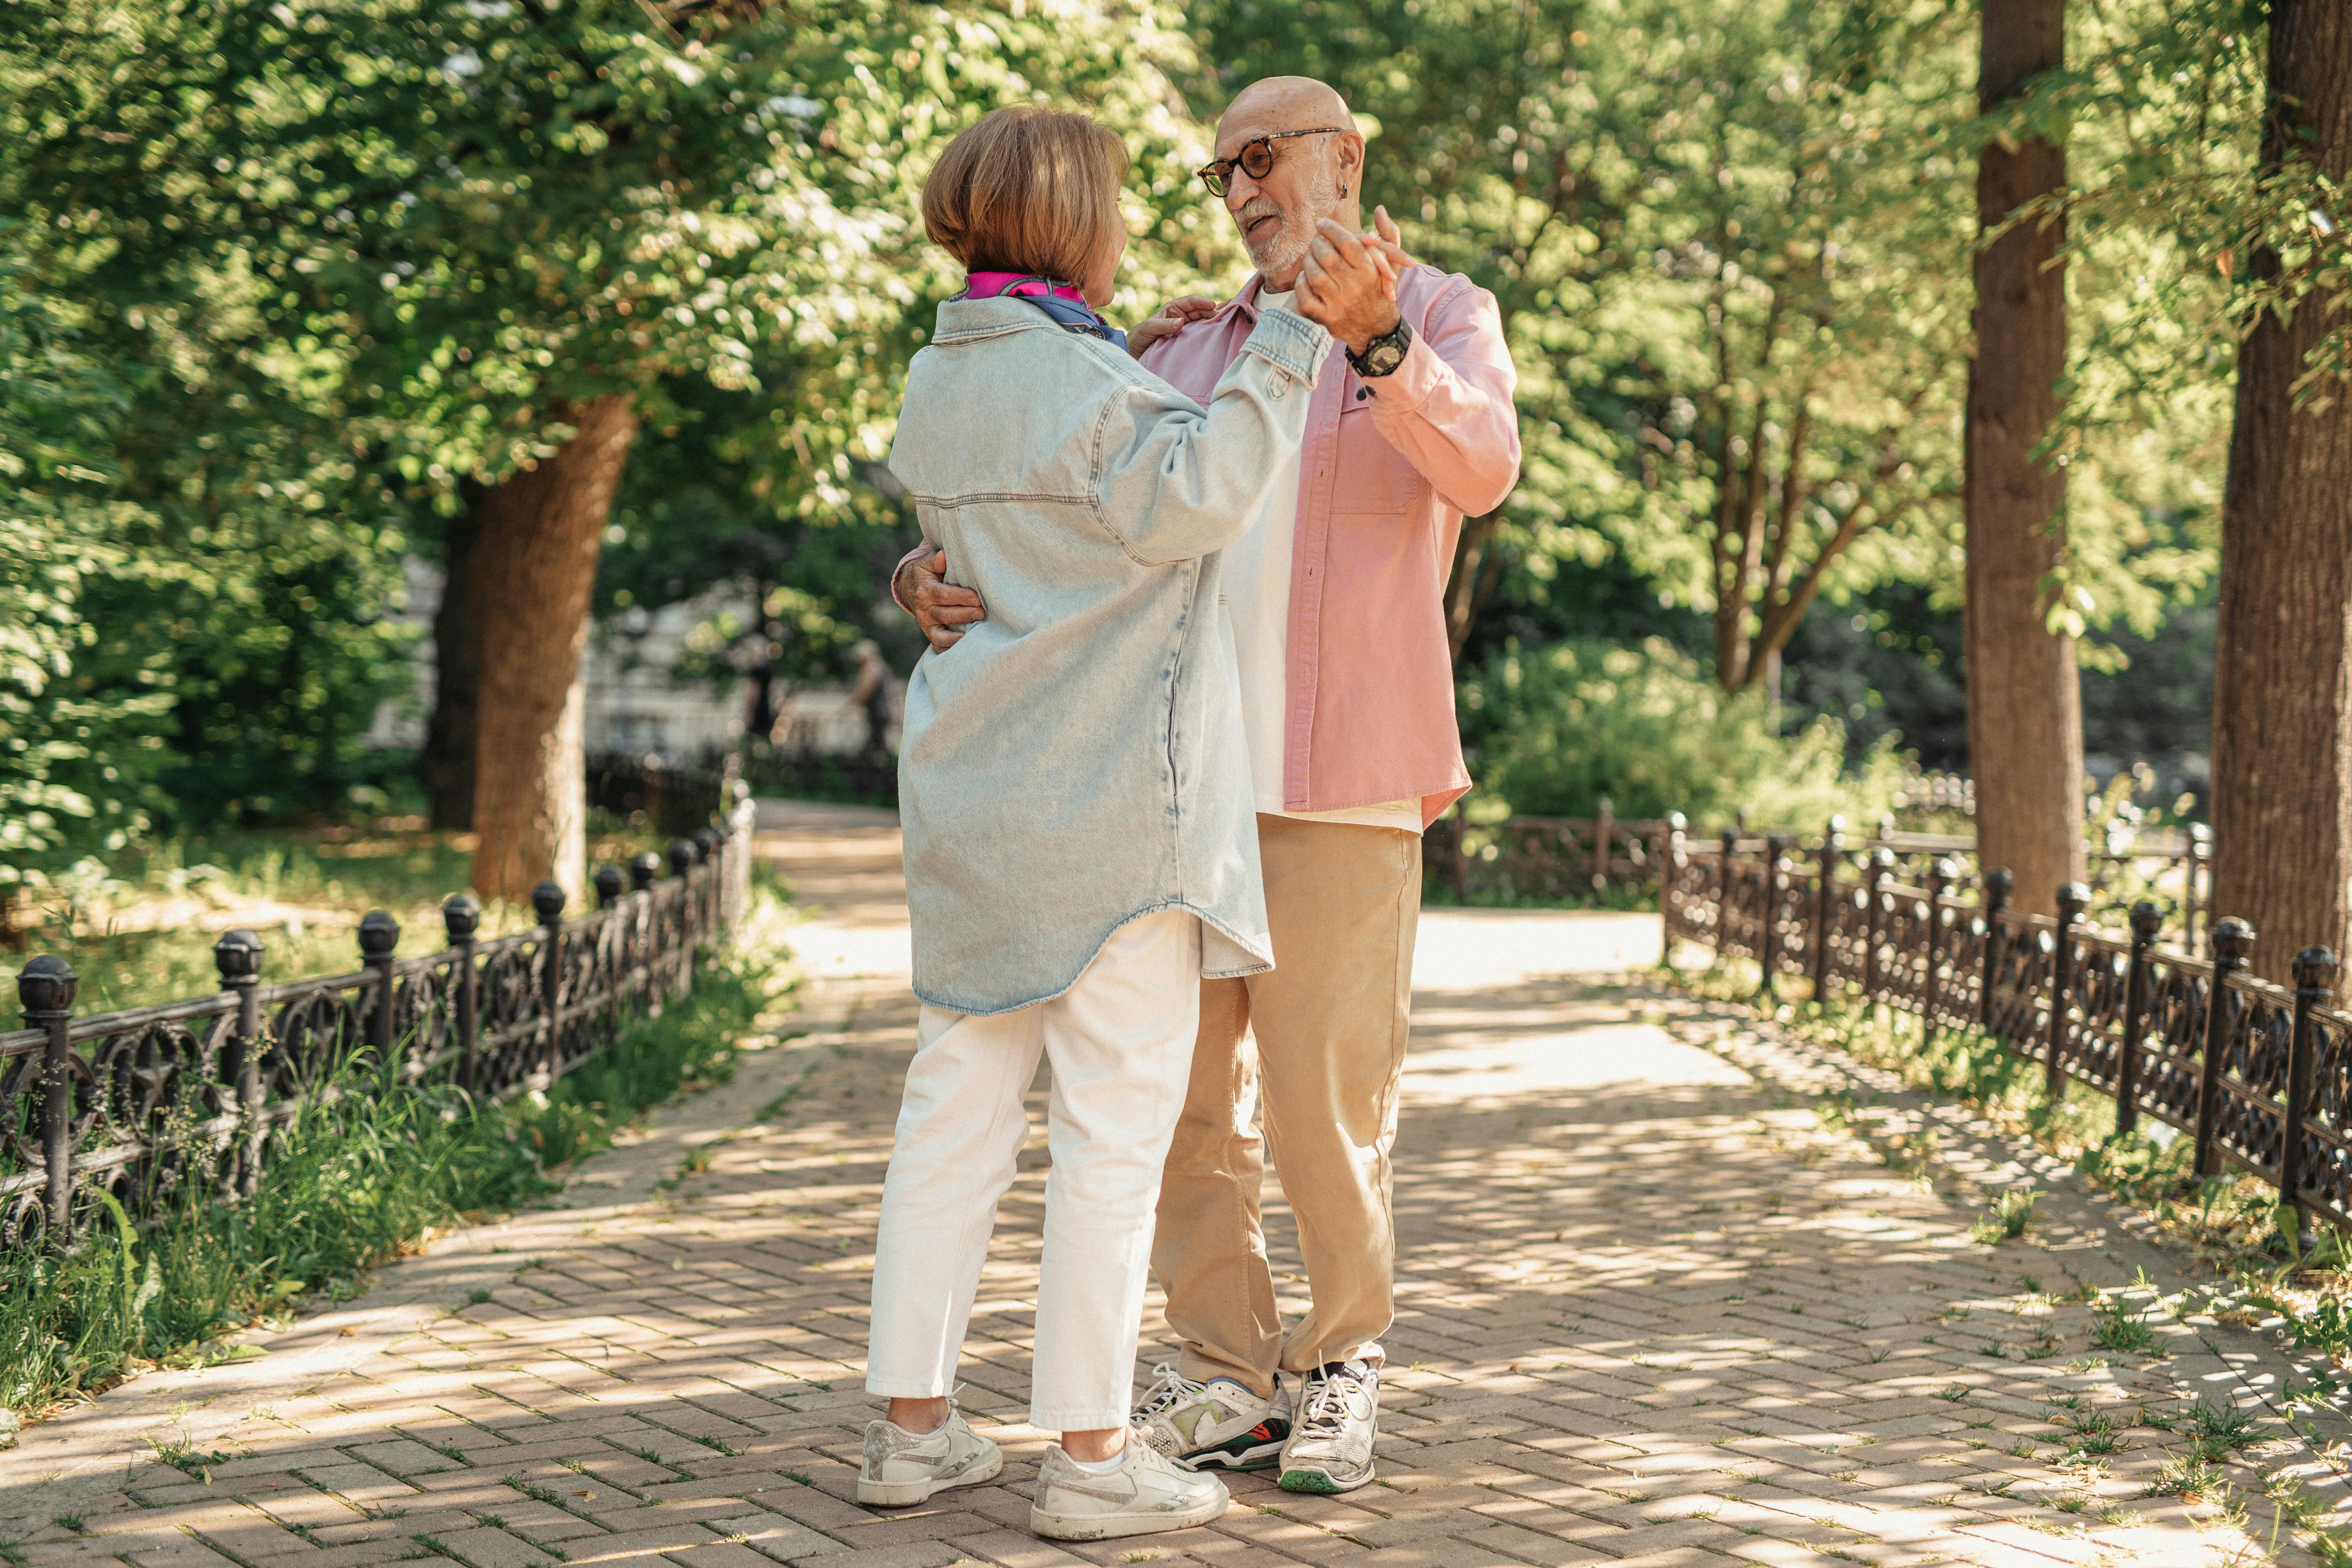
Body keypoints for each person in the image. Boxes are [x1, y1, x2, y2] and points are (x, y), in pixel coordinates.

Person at [895, 77, 1521, 1497]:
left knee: (1326, 1101)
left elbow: (1483, 470)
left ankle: (1341, 1364)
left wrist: (1377, 350)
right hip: (1170, 777)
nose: (1240, 190)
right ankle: (1225, 1376)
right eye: (1218, 171)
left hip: (1349, 771)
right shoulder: (1175, 346)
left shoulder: (1443, 313)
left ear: (1344, 160)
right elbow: (1061, 503)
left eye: (1265, 159)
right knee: (1182, 1101)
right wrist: (927, 573)